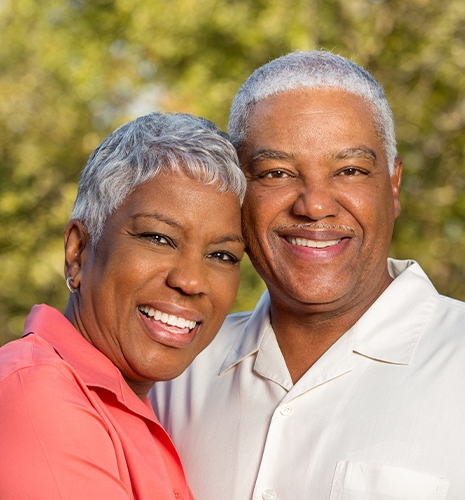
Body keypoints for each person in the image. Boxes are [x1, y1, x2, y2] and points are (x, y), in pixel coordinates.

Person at [151, 51, 465, 499]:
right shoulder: (177, 370)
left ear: (393, 186)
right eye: (276, 172)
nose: (315, 205)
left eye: (350, 170)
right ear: (236, 191)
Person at [0, 112, 246, 499]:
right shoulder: (36, 398)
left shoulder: (129, 408)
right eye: (159, 238)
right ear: (78, 251)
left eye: (222, 255)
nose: (191, 281)